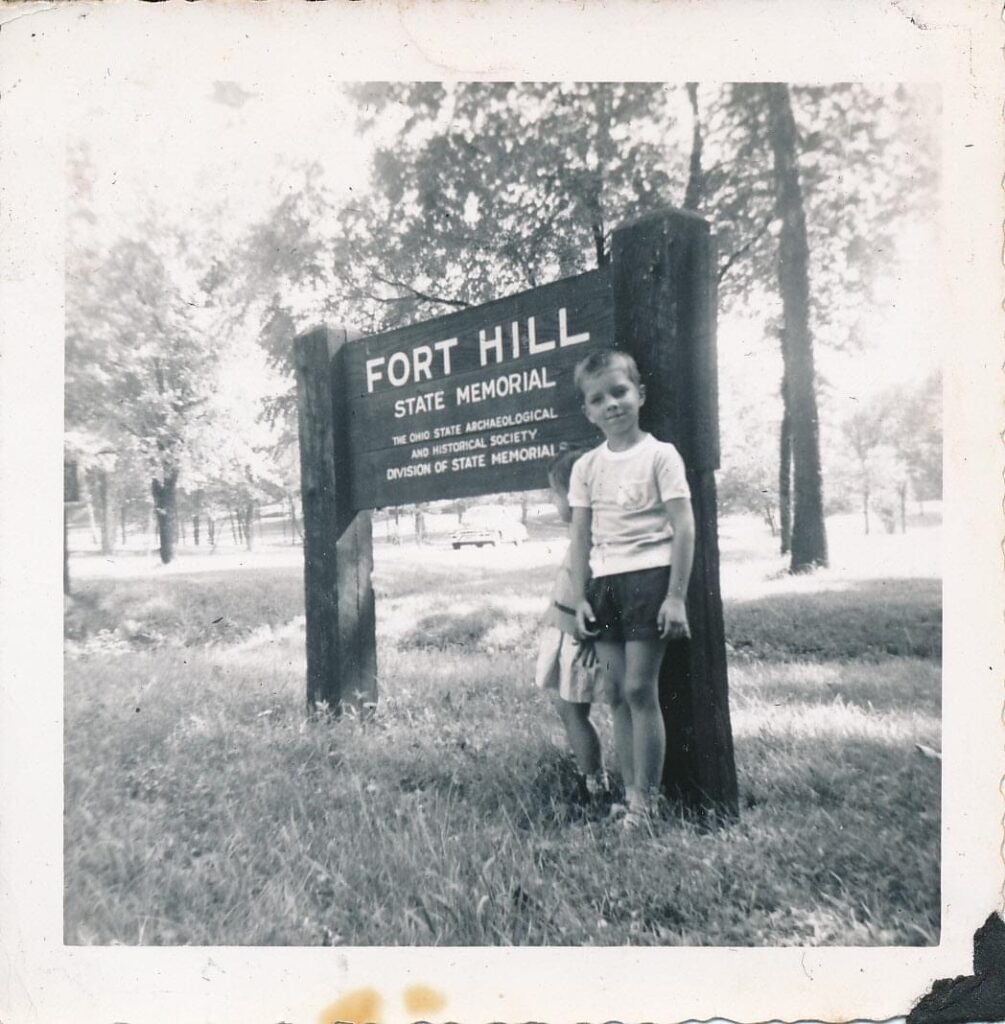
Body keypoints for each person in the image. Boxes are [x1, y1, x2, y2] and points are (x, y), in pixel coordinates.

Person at [567, 348, 696, 830]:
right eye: (598, 399)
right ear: (588, 412)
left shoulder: (660, 455)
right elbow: (580, 535)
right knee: (617, 692)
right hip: (605, 584)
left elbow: (684, 527)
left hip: (650, 578)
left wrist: (676, 595)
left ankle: (648, 802)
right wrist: (580, 595)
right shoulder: (587, 467)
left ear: (639, 395)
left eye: (619, 392)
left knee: (642, 688)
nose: (611, 405)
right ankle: (629, 795)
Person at [534, 447, 612, 808]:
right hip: (567, 630)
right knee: (569, 710)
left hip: (581, 637)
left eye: (556, 493)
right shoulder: (582, 534)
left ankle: (595, 784)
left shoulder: (594, 538)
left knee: (572, 709)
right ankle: (591, 777)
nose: (554, 502)